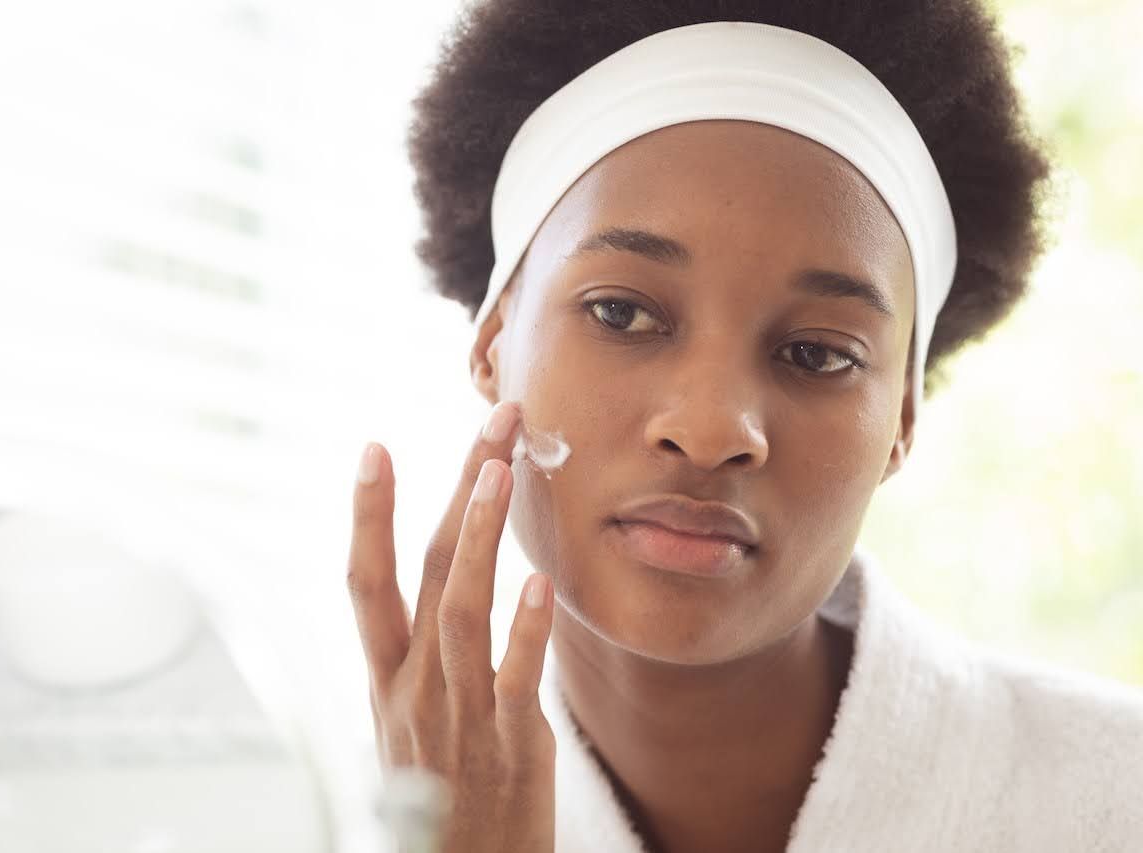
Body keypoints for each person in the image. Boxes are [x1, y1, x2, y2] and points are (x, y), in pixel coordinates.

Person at [346, 2, 1143, 852]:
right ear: (494, 344)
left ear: (902, 422)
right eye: (621, 311)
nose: (712, 427)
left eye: (816, 354)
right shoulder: (321, 811)